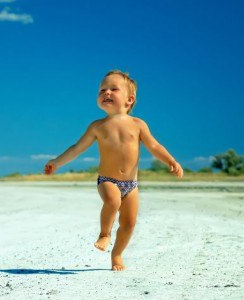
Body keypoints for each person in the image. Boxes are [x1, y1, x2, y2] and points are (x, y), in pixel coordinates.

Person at [44, 70, 183, 271]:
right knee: (113, 200)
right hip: (107, 180)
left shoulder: (138, 125)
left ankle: (117, 254)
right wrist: (57, 162)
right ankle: (104, 234)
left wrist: (171, 160)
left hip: (131, 185)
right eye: (102, 90)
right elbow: (77, 148)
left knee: (129, 224)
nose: (106, 93)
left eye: (113, 89)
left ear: (129, 100)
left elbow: (154, 146)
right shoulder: (97, 127)